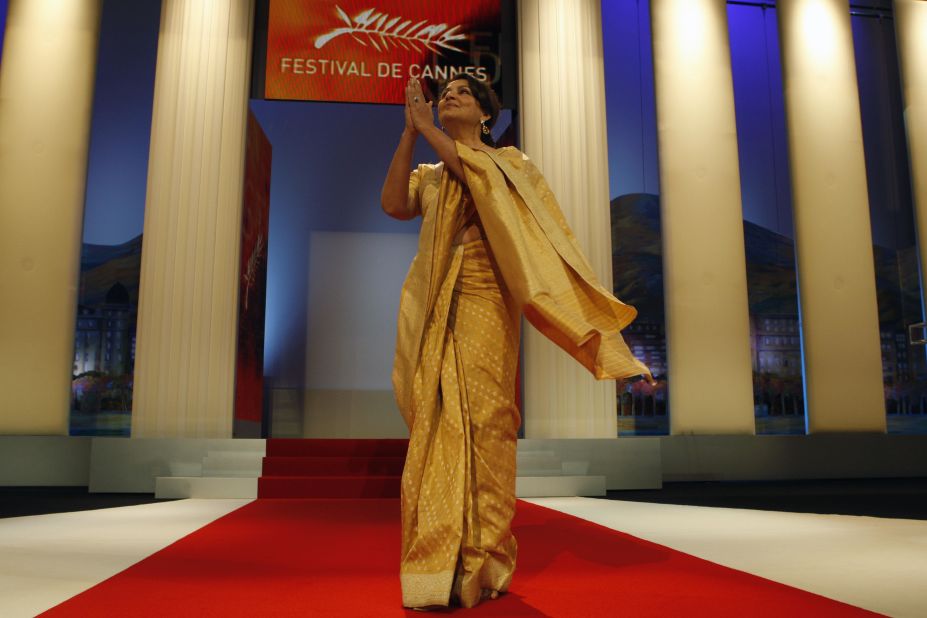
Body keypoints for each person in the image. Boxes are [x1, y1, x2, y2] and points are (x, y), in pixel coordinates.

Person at [381, 75, 654, 611]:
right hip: (439, 299)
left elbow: (478, 178)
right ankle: (437, 563)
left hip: (487, 298)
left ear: (486, 113)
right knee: (437, 426)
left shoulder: (510, 165)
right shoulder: (432, 173)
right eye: (445, 93)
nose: (450, 97)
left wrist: (427, 128)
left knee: (486, 422)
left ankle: (482, 561)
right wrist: (410, 135)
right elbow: (393, 204)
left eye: (463, 92)